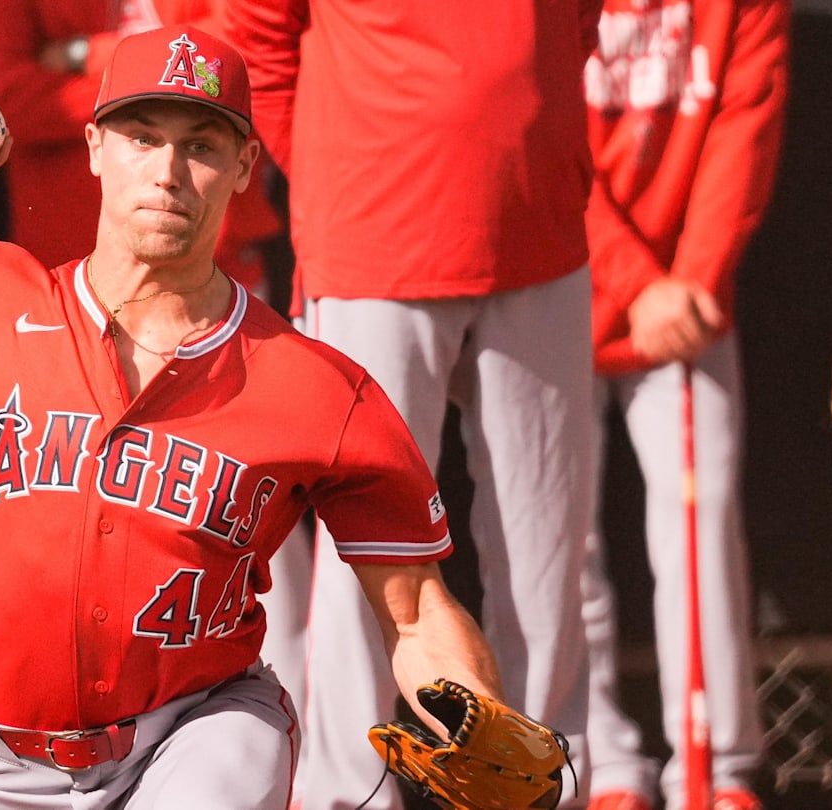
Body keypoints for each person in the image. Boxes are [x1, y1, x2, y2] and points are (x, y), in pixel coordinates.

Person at [0, 25, 513, 807]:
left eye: (201, 145)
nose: (167, 171)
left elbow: (414, 610)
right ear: (93, 148)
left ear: (243, 167)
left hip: (202, 724)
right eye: (141, 137)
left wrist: (478, 716)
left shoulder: (319, 389)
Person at [226, 2, 604, 807]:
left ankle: (542, 794)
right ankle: (346, 795)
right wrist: (343, 164)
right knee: (361, 557)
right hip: (375, 237)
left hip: (536, 225)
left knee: (548, 553)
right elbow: (255, 35)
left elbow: (576, 24)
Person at [579, 1, 789, 808]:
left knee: (703, 518)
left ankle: (719, 765)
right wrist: (635, 282)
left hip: (689, 300)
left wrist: (692, 284)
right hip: (558, 279)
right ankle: (601, 767)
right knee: (559, 541)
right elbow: (530, 124)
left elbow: (747, 122)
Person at [0, 0, 283, 294]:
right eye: (141, 135)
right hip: (62, 261)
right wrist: (174, 96)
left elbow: (247, 49)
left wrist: (87, 54)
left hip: (214, 261)